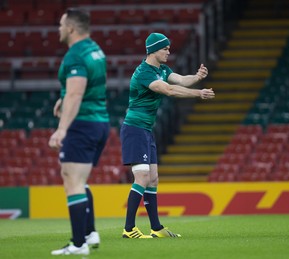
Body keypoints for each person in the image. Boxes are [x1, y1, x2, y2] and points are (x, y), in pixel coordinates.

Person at [121, 32, 215, 238]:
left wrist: (197, 78)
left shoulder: (162, 69)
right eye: (165, 48)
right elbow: (170, 90)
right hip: (135, 129)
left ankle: (156, 228)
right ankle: (128, 229)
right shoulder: (144, 72)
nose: (168, 51)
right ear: (153, 50)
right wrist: (199, 93)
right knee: (142, 177)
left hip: (145, 130)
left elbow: (181, 80)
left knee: (153, 179)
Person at [48, 8, 110, 255]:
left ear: (72, 28)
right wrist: (64, 99)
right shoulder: (95, 50)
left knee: (71, 180)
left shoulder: (74, 55)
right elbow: (87, 87)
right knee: (79, 180)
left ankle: (78, 244)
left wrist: (62, 128)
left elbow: (76, 91)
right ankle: (89, 232)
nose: (59, 29)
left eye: (61, 25)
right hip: (99, 121)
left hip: (82, 125)